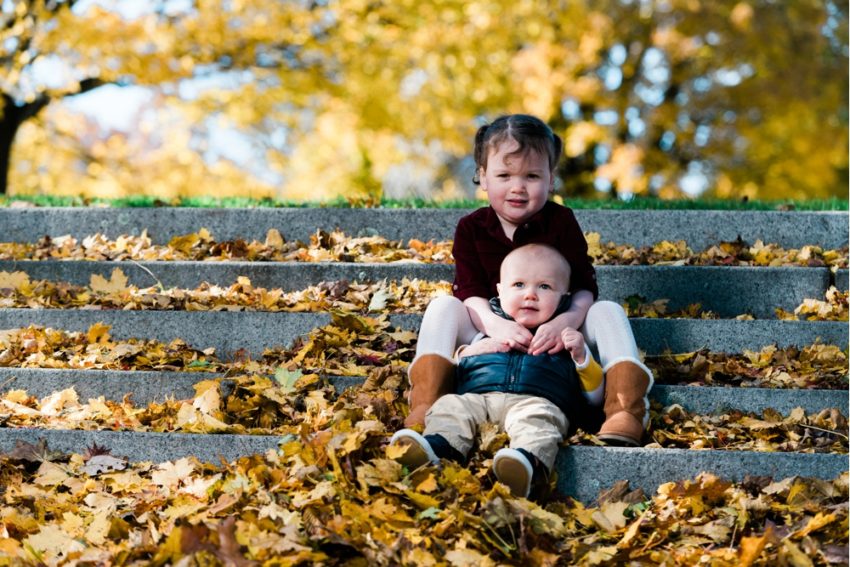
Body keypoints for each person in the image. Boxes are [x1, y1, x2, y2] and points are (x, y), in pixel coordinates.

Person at [405, 113, 653, 446]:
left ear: (550, 179)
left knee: (606, 310)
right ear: (483, 177)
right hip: (492, 330)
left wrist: (562, 322)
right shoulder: (471, 227)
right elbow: (471, 292)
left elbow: (584, 288)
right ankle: (426, 403)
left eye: (532, 176)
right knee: (443, 306)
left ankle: (625, 409)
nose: (517, 187)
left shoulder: (561, 221)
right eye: (504, 175)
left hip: (558, 330)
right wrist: (496, 326)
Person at [391, 244, 604, 498]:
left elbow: (595, 395)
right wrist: (467, 353)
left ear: (564, 297)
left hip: (536, 401)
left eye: (544, 287)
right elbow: (455, 371)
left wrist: (581, 356)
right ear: (500, 292)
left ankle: (526, 464)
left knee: (539, 421)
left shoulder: (565, 338)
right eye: (519, 285)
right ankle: (439, 447)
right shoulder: (486, 331)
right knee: (451, 406)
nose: (530, 295)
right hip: (479, 398)